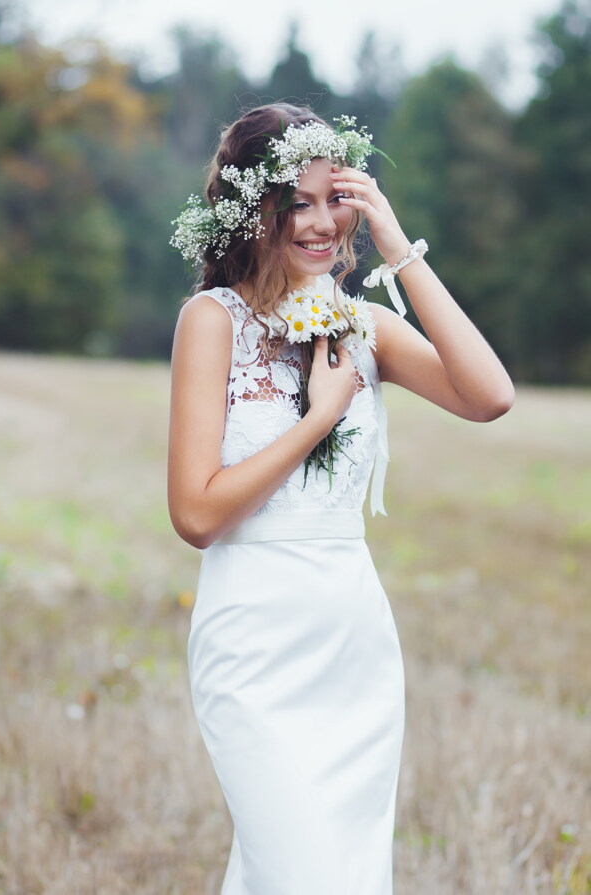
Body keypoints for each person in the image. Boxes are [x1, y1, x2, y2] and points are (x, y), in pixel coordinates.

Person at [167, 102, 515, 895]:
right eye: (299, 203)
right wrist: (321, 414)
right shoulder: (210, 323)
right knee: (299, 872)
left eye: (339, 198)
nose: (324, 223)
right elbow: (196, 514)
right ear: (256, 211)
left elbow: (491, 395)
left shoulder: (366, 327)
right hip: (253, 641)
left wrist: (400, 248)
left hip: (352, 639)